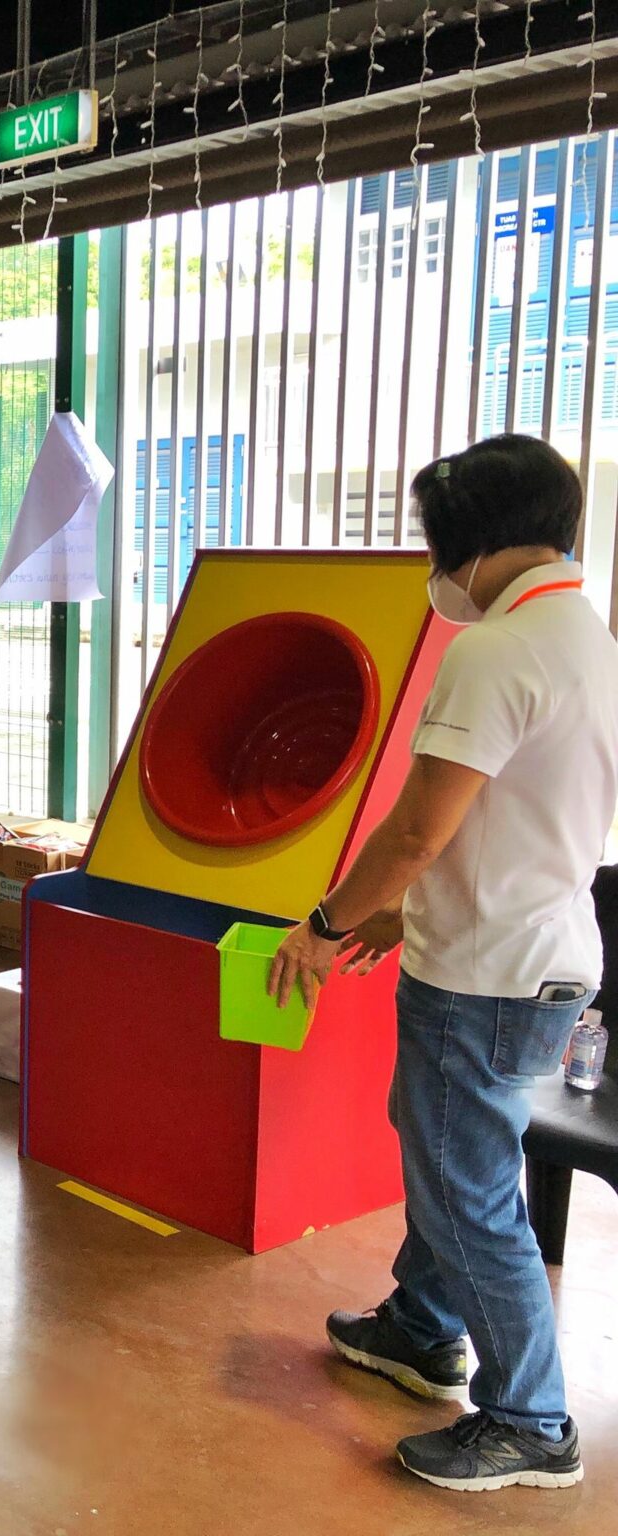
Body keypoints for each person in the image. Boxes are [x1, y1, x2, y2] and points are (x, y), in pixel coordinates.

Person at [269, 434, 618, 1493]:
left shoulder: (494, 650)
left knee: (466, 1192)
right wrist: (402, 917)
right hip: (539, 950)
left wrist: (325, 924)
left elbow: (418, 828)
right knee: (454, 1157)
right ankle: (420, 1328)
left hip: (485, 977)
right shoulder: (583, 636)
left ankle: (530, 1420)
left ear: (467, 542)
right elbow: (507, 821)